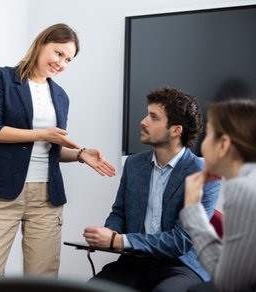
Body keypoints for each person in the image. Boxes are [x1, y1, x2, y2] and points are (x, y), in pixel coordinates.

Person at [0, 23, 116, 277]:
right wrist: (42, 134)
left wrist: (81, 154)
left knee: (43, 278)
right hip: (1, 193)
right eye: (58, 53)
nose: (61, 64)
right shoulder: (3, 78)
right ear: (41, 43)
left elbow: (52, 151)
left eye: (68, 59)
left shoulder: (60, 96)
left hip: (46, 197)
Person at [83, 86, 221, 292]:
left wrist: (119, 240)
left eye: (153, 117)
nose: (143, 121)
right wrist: (109, 233)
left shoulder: (202, 173)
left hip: (179, 265)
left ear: (175, 131)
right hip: (133, 262)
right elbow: (119, 212)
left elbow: (182, 241)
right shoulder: (134, 164)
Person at [181, 99, 256, 292]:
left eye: (208, 135)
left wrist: (192, 209)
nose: (202, 145)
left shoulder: (242, 189)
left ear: (223, 144)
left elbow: (228, 283)